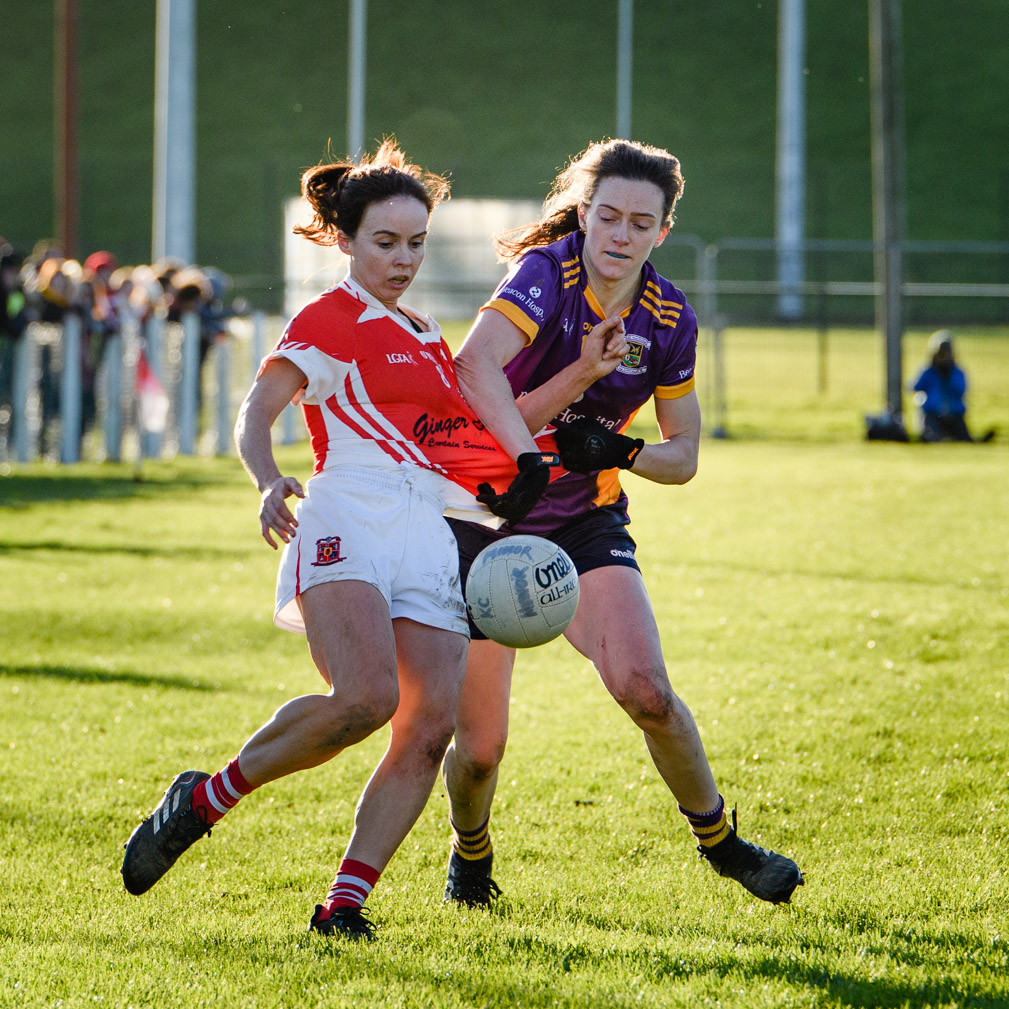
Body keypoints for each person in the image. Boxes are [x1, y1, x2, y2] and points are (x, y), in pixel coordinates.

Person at [120, 141, 580, 939]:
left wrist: (535, 449)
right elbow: (255, 412)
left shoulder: (430, 331)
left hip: (427, 534)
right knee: (363, 699)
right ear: (345, 239)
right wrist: (266, 478)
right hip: (346, 519)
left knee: (429, 728)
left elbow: (461, 438)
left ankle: (343, 906)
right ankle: (204, 798)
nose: (402, 259)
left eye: (416, 243)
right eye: (384, 242)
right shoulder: (326, 319)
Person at [439, 139, 805, 909]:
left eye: (640, 223)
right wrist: (526, 452)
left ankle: (722, 843)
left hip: (583, 520)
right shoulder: (546, 274)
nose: (619, 235)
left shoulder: (669, 317)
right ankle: (470, 856)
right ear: (583, 213)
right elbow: (473, 367)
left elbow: (684, 458)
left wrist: (620, 448)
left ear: (663, 230)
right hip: (482, 515)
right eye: (606, 216)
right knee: (477, 749)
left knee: (646, 690)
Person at [911, 330, 992, 443]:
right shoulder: (928, 372)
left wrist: (948, 375)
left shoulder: (957, 372)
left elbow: (961, 390)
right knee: (933, 434)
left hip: (954, 414)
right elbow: (914, 387)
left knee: (962, 435)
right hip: (932, 413)